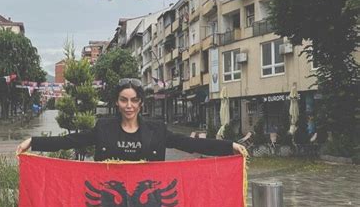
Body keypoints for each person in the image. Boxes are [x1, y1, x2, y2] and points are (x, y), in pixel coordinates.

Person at [17, 78, 246, 160]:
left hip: (147, 204)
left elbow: (190, 144)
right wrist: (34, 142)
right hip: (109, 201)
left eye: (134, 100)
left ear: (140, 103)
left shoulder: (157, 130)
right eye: (124, 100)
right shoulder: (103, 128)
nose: (129, 106)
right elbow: (70, 141)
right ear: (116, 102)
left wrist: (229, 147)